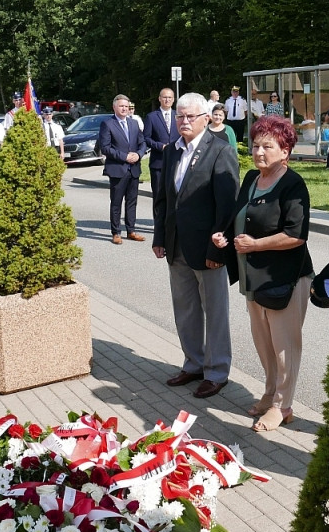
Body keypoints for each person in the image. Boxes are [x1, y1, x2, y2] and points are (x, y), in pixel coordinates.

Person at [212, 116, 312, 431]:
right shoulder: (252, 179)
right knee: (264, 343)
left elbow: (296, 235)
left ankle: (283, 406)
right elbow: (241, 216)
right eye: (256, 145)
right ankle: (270, 395)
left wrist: (256, 245)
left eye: (267, 146)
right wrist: (225, 236)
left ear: (285, 151)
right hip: (252, 278)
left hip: (285, 278)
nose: (258, 152)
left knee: (285, 347)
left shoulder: (293, 184)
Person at [153, 92, 239, 398]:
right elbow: (164, 199)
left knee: (214, 312)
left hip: (207, 249)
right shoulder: (171, 151)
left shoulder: (220, 150)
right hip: (176, 246)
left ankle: (217, 372)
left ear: (205, 118)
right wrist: (159, 237)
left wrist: (219, 249)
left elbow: (227, 206)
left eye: (190, 116)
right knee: (186, 310)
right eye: (180, 116)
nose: (184, 121)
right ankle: (193, 363)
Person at [99, 94, 147, 245]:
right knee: (116, 202)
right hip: (117, 169)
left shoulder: (133, 123)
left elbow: (143, 142)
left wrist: (138, 155)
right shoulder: (107, 124)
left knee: (132, 201)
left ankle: (131, 230)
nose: (125, 108)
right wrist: (124, 156)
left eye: (126, 106)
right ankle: (116, 232)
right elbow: (105, 148)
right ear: (114, 107)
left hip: (134, 168)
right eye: (121, 106)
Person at [143, 88, 177, 200]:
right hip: (158, 163)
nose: (167, 100)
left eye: (170, 97)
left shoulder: (179, 116)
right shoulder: (151, 117)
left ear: (173, 100)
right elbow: (146, 138)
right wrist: (159, 146)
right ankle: (158, 218)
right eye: (164, 97)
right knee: (158, 196)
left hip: (176, 163)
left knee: (174, 195)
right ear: (159, 99)